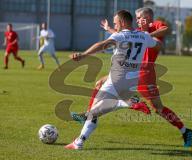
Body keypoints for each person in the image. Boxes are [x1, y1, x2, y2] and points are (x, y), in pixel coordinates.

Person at [72, 7, 192, 147]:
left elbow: (165, 30)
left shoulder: (154, 25)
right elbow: (125, 37)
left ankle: (185, 130)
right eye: (135, 18)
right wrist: (109, 29)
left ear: (148, 16)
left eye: (139, 17)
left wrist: (146, 31)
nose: (137, 20)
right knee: (100, 83)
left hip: (145, 72)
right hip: (129, 69)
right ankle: (88, 116)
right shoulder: (138, 32)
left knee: (158, 108)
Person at [64, 10, 161, 150]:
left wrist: (84, 54)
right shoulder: (143, 36)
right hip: (133, 81)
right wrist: (146, 35)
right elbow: (158, 45)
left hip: (116, 79)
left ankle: (125, 103)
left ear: (122, 22)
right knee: (94, 112)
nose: (115, 26)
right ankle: (79, 141)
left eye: (116, 23)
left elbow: (102, 44)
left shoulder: (120, 36)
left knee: (93, 112)